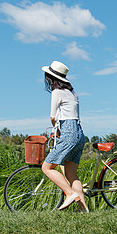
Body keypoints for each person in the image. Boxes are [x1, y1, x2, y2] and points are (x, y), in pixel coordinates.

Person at [41, 60, 88, 212]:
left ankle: (69, 193)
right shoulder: (72, 93)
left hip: (68, 132)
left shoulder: (57, 92)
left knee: (46, 167)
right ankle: (83, 209)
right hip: (79, 133)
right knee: (71, 174)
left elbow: (53, 116)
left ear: (51, 78)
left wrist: (56, 129)